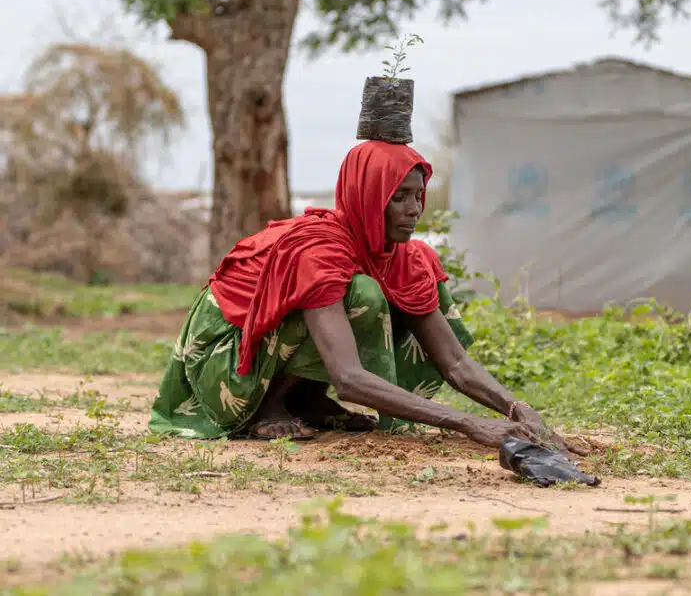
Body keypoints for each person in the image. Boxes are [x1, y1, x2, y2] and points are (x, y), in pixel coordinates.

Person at [149, 140, 577, 453]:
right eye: (399, 197)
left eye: (418, 196)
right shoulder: (318, 250)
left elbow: (455, 362)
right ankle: (267, 406)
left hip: (279, 350)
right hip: (224, 363)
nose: (414, 209)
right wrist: (468, 425)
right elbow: (349, 377)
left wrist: (515, 409)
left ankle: (306, 400)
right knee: (363, 294)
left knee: (413, 285)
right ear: (367, 197)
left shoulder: (401, 255)